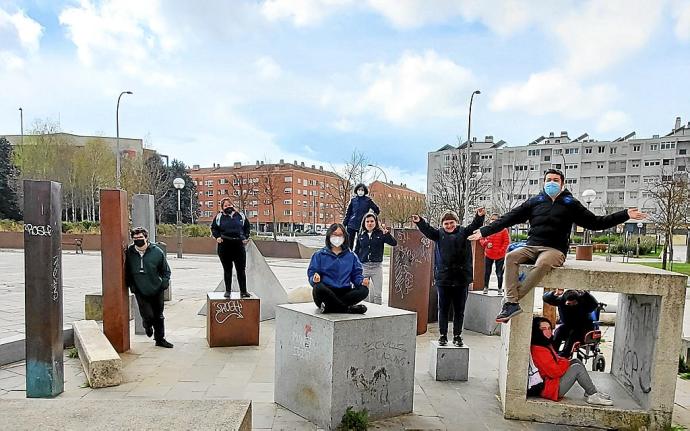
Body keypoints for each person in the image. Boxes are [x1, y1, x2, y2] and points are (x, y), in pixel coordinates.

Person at [468, 169, 645, 323]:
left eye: (555, 180)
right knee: (511, 257)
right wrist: (484, 231)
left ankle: (511, 301)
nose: (551, 183)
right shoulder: (535, 201)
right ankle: (511, 304)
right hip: (532, 245)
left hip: (554, 250)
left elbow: (596, 222)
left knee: (543, 264)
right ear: (543, 182)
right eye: (548, 180)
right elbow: (508, 218)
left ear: (562, 184)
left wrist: (625, 214)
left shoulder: (570, 203)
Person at [412, 208, 485, 347]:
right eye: (446, 223)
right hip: (443, 278)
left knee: (459, 310)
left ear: (456, 222)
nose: (449, 226)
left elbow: (475, 225)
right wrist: (420, 222)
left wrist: (479, 216)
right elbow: (427, 230)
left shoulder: (464, 232)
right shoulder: (438, 234)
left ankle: (457, 335)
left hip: (461, 279)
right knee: (443, 309)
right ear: (442, 225)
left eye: (451, 223)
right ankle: (443, 335)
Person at [530, 316, 612, 405]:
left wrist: (564, 361)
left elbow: (557, 360)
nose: (548, 331)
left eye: (549, 328)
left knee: (576, 361)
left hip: (553, 381)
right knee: (576, 368)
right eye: (543, 329)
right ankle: (592, 395)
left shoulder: (544, 343)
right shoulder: (538, 349)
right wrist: (565, 361)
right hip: (549, 388)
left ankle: (591, 391)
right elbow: (555, 372)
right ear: (537, 331)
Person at [125, 227, 173, 348]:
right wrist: (132, 286)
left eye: (140, 238)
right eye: (135, 238)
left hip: (156, 288)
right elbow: (127, 271)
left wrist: (164, 283)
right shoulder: (130, 253)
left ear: (146, 238)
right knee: (147, 315)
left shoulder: (157, 252)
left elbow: (166, 271)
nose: (138, 240)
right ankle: (147, 325)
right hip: (140, 289)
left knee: (159, 315)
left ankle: (160, 339)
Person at [308, 223, 371, 314]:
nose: (337, 237)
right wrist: (314, 278)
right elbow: (312, 273)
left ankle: (331, 307)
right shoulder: (319, 255)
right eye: (334, 234)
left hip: (345, 293)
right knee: (318, 287)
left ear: (345, 237)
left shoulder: (351, 256)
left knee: (364, 290)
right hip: (326, 292)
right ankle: (348, 309)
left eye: (340, 235)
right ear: (329, 236)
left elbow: (356, 275)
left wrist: (361, 281)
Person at [211, 198, 251, 298]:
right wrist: (217, 237)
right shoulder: (219, 217)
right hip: (225, 245)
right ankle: (228, 290)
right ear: (222, 208)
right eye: (225, 206)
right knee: (227, 269)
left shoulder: (240, 216)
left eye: (229, 205)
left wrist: (245, 237)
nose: (228, 207)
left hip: (238, 244)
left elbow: (247, 227)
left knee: (241, 270)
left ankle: (243, 291)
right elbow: (214, 228)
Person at [354, 212, 397, 305]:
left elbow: (394, 243)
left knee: (378, 294)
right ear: (364, 223)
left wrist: (387, 234)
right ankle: (364, 312)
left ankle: (378, 314)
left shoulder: (381, 234)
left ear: (375, 222)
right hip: (364, 267)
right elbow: (356, 251)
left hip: (376, 267)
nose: (370, 223)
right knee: (363, 293)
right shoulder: (361, 235)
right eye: (367, 221)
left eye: (372, 221)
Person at [543, 289, 599, 357]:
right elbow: (545, 298)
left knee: (573, 334)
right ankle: (552, 352)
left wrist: (585, 294)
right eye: (569, 304)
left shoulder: (583, 303)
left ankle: (565, 354)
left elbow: (595, 304)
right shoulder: (561, 301)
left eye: (574, 303)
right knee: (558, 331)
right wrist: (555, 293)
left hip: (583, 327)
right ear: (565, 302)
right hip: (568, 326)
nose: (571, 305)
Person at [478, 213, 510, 295]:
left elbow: (506, 242)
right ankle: (485, 287)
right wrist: (486, 244)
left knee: (499, 273)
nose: (493, 221)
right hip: (488, 254)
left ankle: (499, 288)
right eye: (492, 219)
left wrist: (501, 251)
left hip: (500, 255)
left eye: (495, 219)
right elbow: (481, 239)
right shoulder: (487, 229)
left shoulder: (503, 230)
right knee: (487, 272)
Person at [343, 183, 380, 249]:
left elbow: (377, 210)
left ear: (364, 191)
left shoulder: (368, 200)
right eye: (359, 189)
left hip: (362, 225)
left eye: (362, 190)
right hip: (351, 224)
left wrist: (371, 216)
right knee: (349, 243)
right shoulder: (353, 200)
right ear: (356, 190)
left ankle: (358, 257)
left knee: (360, 243)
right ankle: (348, 256)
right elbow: (348, 213)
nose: (360, 191)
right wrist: (344, 224)